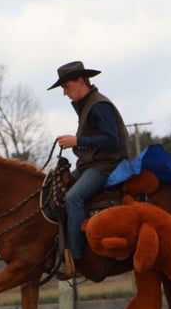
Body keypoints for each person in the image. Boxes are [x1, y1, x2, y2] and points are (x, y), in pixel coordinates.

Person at [48, 60, 130, 279]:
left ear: (80, 81)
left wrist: (77, 141)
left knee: (73, 197)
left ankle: (75, 258)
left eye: (66, 87)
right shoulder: (87, 104)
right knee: (56, 191)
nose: (64, 93)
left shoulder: (99, 105)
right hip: (90, 165)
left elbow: (111, 139)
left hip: (106, 165)